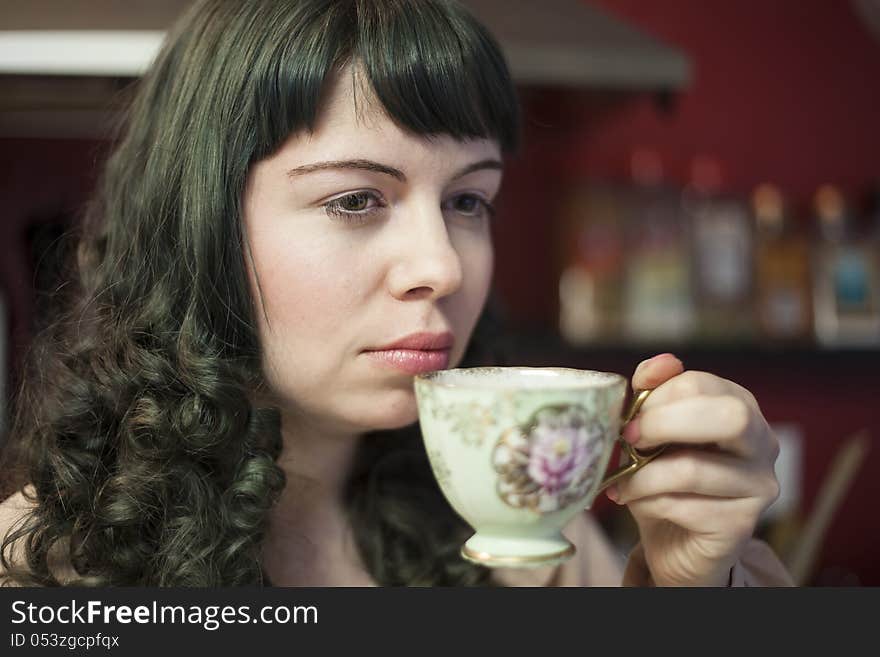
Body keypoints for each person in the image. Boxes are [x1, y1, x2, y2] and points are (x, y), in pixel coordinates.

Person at [0, 0, 792, 587]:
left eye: (467, 200)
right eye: (356, 199)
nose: (443, 267)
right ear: (196, 227)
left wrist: (694, 587)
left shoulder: (534, 540)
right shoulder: (39, 571)